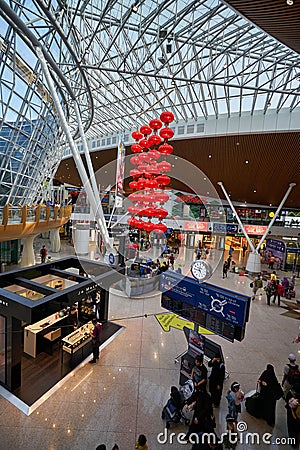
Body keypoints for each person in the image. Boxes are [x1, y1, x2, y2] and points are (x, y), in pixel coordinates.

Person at [285, 382, 300, 447]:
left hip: (291, 414)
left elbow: (286, 400)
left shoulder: (290, 393)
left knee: (291, 427)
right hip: (299, 415)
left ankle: (293, 443)